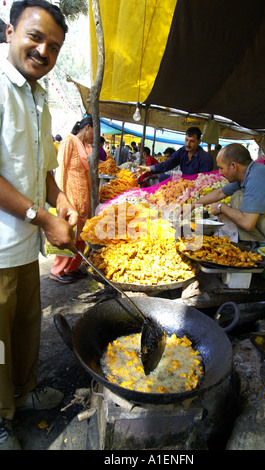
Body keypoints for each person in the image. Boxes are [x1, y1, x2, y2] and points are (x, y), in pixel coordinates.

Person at [0, 0, 77, 450]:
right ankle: (2, 418)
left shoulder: (39, 97)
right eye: (35, 36)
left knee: (27, 327)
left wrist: (61, 199)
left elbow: (45, 170)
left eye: (54, 46)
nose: (43, 50)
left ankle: (24, 393)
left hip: (26, 247)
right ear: (10, 32)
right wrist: (42, 217)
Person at [191, 143, 265, 251]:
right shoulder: (249, 174)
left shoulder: (257, 177)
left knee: (238, 198)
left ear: (234, 166)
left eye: (221, 168)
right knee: (239, 196)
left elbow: (248, 224)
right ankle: (264, 246)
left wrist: (221, 207)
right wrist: (192, 206)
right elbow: (220, 193)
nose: (219, 172)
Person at [50, 116, 94, 283]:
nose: (95, 137)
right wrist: (61, 197)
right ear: (88, 127)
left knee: (81, 234)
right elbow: (60, 168)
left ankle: (72, 267)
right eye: (94, 132)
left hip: (83, 197)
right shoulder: (69, 141)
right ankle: (58, 270)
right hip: (70, 195)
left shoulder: (86, 147)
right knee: (68, 232)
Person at [136, 127, 213, 180]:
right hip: (184, 186)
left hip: (196, 191)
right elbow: (166, 165)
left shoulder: (205, 158)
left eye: (192, 141)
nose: (187, 144)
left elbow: (205, 181)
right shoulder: (182, 151)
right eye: (186, 140)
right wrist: (148, 168)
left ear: (199, 141)